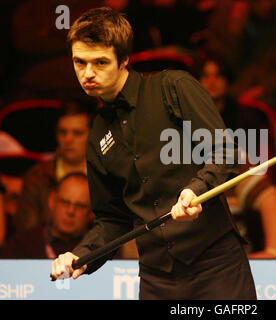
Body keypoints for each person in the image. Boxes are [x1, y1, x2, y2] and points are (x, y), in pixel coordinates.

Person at [50, 7, 256, 300]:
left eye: (100, 62)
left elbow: (224, 153)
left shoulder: (173, 88)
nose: (88, 74)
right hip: (156, 278)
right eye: (79, 62)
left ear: (124, 60)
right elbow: (112, 219)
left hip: (216, 268)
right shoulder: (96, 136)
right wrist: (80, 255)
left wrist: (195, 190)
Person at [197, 57, 276, 259]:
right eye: (205, 76)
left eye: (218, 75)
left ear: (227, 81)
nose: (212, 81)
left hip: (232, 184)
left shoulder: (246, 119)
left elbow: (271, 199)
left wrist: (272, 253)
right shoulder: (182, 122)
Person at [14, 99, 95, 233]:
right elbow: (27, 236)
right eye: (63, 132)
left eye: (77, 133)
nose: (68, 139)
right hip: (43, 252)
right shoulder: (37, 177)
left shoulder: (105, 178)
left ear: (92, 135)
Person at [0, 173, 94, 258]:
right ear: (51, 200)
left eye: (80, 206)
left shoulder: (98, 248)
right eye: (64, 202)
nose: (70, 211)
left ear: (91, 212)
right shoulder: (22, 244)